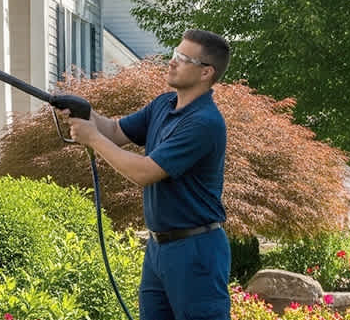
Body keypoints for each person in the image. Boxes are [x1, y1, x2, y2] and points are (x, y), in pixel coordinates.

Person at [66, 29, 232, 320]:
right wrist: (83, 112)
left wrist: (92, 138)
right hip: (159, 248)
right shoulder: (163, 105)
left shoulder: (204, 123)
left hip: (196, 251)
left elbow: (145, 172)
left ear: (206, 73)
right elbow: (116, 131)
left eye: (183, 58)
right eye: (174, 53)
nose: (172, 61)